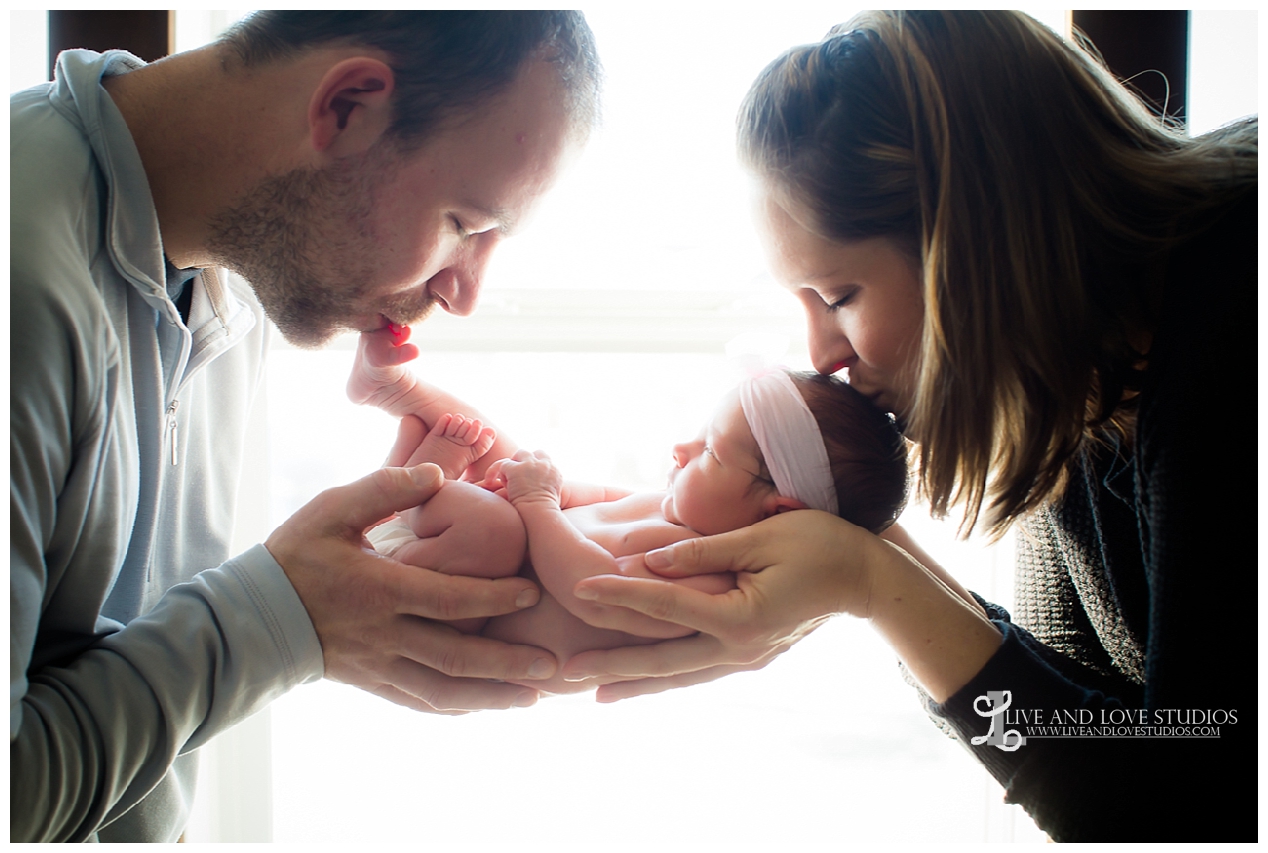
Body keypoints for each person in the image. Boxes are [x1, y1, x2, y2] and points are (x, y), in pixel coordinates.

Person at [554, 11, 1256, 842]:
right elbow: (1105, 739)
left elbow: (1194, 808)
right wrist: (872, 551)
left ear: (973, 240)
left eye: (840, 295)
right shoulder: (1066, 389)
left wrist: (870, 583)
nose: (821, 352)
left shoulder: (1239, 328)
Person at [11, 11, 600, 842]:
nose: (464, 292)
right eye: (464, 224)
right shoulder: (20, 278)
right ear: (348, 106)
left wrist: (369, 570)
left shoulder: (227, 270)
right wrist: (282, 619)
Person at [350, 324, 910, 695]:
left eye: (711, 452)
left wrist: (539, 504)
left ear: (774, 512)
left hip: (452, 613)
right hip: (450, 553)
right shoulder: (669, 509)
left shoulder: (717, 582)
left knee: (494, 525)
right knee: (498, 449)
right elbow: (580, 496)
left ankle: (411, 487)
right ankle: (397, 390)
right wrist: (541, 483)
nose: (682, 450)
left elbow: (595, 591)